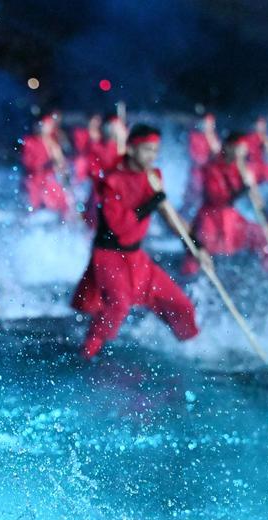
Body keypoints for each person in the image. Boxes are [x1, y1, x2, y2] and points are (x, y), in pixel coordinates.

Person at [71, 124, 200, 359]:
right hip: (109, 257)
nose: (152, 156)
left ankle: (191, 353)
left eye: (155, 150)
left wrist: (192, 242)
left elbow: (167, 214)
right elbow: (119, 226)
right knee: (117, 306)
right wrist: (152, 201)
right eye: (147, 150)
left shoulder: (153, 178)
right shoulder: (112, 180)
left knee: (181, 305)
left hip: (137, 258)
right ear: (131, 149)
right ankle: (85, 357)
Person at [183, 131, 268, 275]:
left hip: (231, 216)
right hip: (210, 216)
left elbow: (256, 198)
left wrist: (256, 196)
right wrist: (243, 189)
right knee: (198, 250)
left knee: (264, 237)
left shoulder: (244, 168)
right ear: (229, 148)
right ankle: (188, 279)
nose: (241, 155)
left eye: (243, 151)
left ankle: (263, 274)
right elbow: (216, 198)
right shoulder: (212, 167)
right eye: (238, 150)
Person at [21, 113, 74, 221]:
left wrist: (64, 175)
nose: (44, 128)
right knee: (32, 207)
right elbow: (27, 163)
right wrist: (46, 165)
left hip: (48, 180)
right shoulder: (28, 141)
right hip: (33, 180)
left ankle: (64, 225)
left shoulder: (52, 143)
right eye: (42, 125)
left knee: (64, 201)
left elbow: (61, 163)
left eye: (47, 125)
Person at [179, 113, 221, 217]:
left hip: (209, 175)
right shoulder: (194, 136)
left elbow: (218, 155)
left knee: (204, 202)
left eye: (211, 123)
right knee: (191, 201)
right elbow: (196, 159)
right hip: (197, 175)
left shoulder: (214, 137)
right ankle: (180, 220)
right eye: (206, 123)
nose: (208, 126)